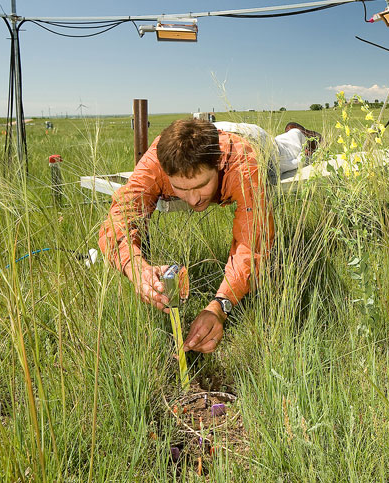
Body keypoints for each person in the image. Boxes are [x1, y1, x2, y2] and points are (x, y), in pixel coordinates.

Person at [98, 118, 321, 354]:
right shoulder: (155, 161)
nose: (194, 199)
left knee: (290, 154)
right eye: (181, 189)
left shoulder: (243, 162)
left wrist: (220, 306)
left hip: (253, 139)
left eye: (202, 185)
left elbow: (253, 242)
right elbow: (119, 219)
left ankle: (298, 132)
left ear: (218, 164)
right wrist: (135, 268)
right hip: (205, 133)